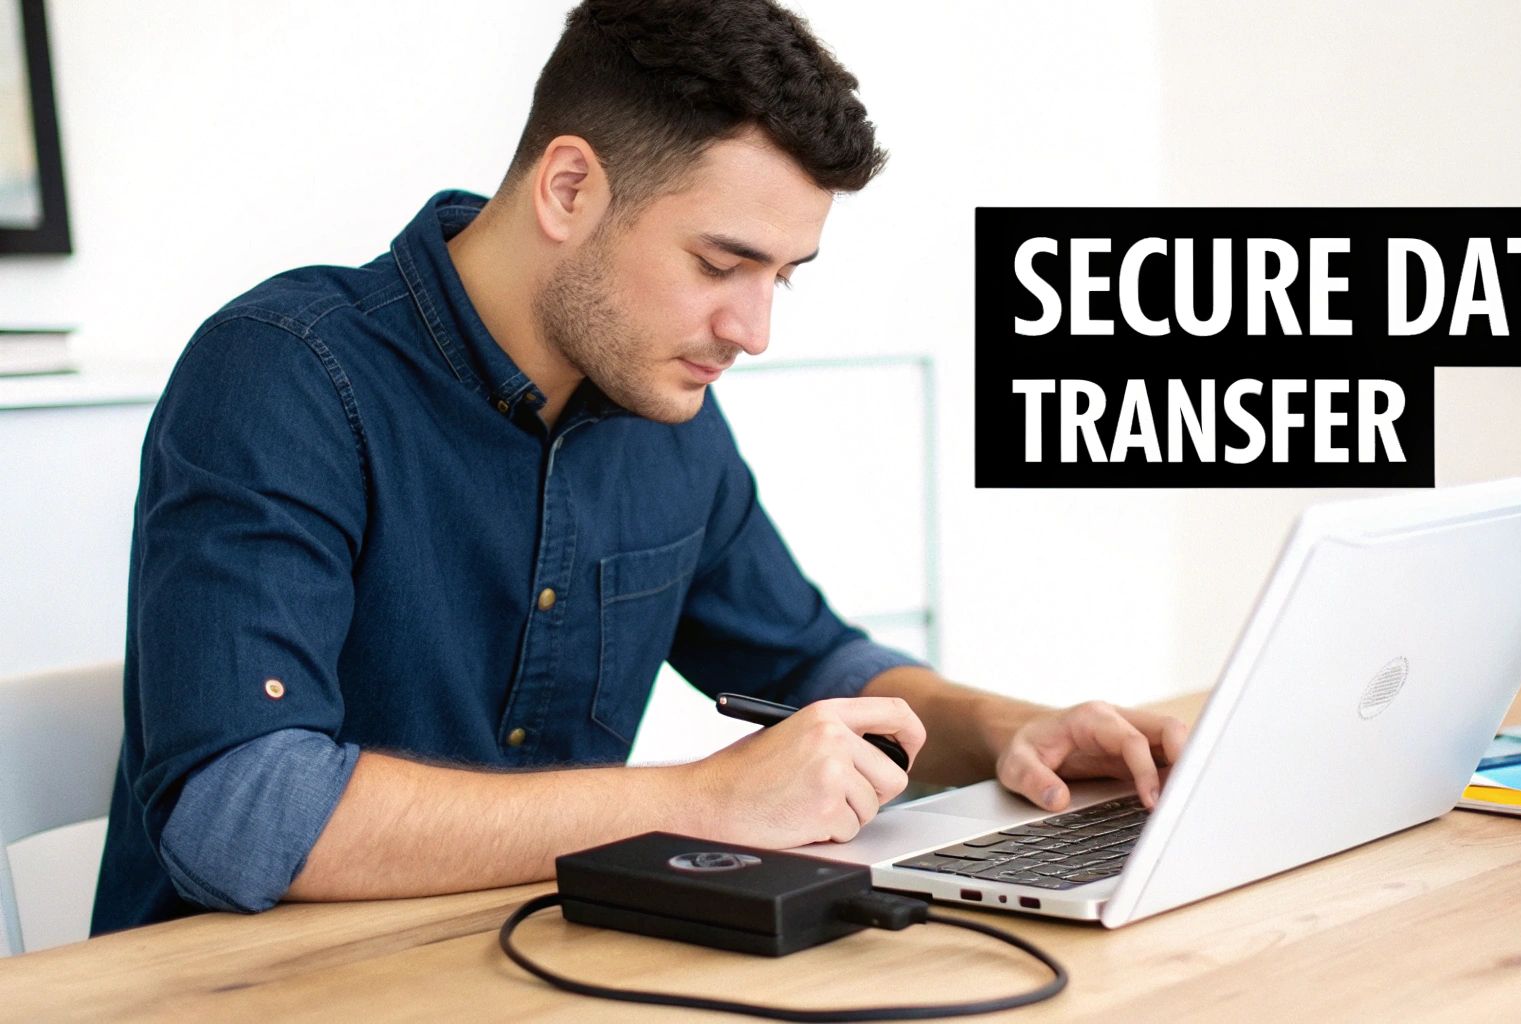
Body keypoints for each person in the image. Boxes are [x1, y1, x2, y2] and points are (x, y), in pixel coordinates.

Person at [92, 0, 1189, 935]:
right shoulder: (286, 375)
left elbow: (812, 661)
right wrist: (706, 800)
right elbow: (240, 814)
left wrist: (1010, 729)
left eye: (783, 277)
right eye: (721, 263)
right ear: (568, 189)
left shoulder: (661, 404)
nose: (752, 327)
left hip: (525, 969)